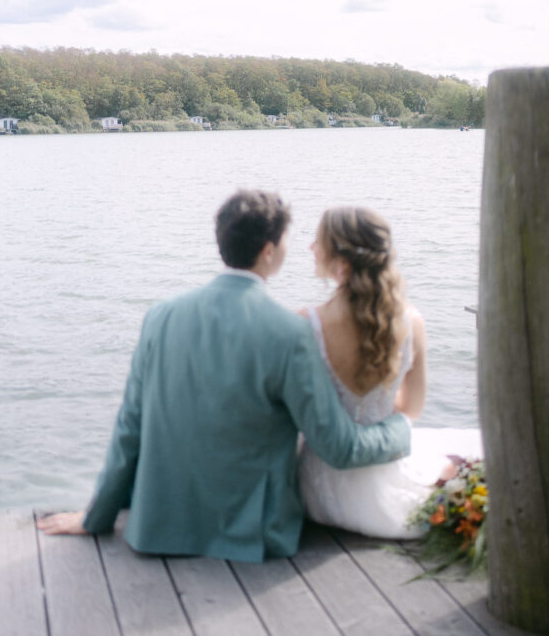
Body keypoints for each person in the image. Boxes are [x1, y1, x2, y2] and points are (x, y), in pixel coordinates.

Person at [37, 190, 412, 561]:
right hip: (253, 535)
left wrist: (96, 516)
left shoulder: (160, 317)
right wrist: (400, 430)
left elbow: (129, 427)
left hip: (158, 529)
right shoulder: (289, 332)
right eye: (286, 240)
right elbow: (338, 447)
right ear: (269, 251)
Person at [298, 206, 482, 539]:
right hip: (381, 493)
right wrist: (374, 402)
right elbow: (412, 408)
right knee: (449, 467)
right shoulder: (412, 322)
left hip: (317, 492)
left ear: (342, 262)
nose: (311, 247)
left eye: (318, 241)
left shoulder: (305, 323)